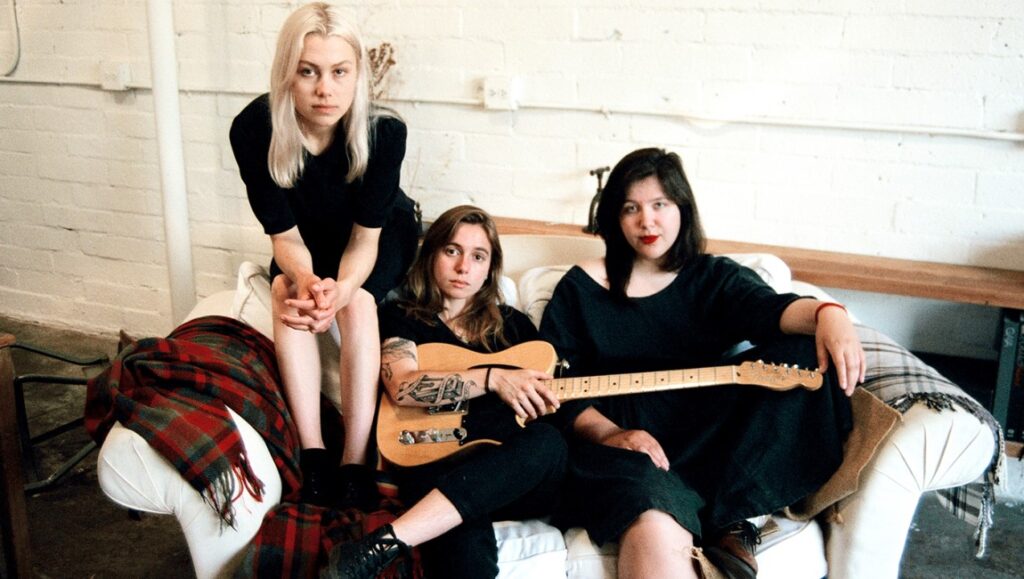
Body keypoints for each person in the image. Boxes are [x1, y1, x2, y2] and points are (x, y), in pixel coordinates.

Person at [538, 148, 863, 579]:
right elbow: (552, 382)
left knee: (802, 358)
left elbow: (773, 312)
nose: (646, 222)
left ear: (682, 209)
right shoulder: (582, 286)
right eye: (630, 208)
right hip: (624, 442)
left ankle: (731, 515)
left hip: (710, 436)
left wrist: (830, 313)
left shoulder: (712, 277)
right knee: (647, 499)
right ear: (614, 217)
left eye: (660, 205)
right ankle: (698, 513)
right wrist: (611, 433)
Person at [229, 2, 419, 509]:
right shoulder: (253, 130)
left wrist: (341, 292)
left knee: (356, 306)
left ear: (358, 75)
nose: (324, 89)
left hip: (378, 233)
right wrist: (310, 284)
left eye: (340, 72)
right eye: (308, 72)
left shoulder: (385, 134)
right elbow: (284, 238)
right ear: (286, 74)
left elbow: (365, 241)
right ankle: (314, 454)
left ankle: (354, 460)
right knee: (285, 291)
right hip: (306, 236)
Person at [321, 205, 568, 579]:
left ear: (489, 269)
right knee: (463, 547)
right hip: (433, 462)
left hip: (510, 474)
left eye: (478, 256)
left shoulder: (513, 327)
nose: (463, 267)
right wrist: (491, 379)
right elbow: (403, 386)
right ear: (432, 253)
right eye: (452, 250)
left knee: (549, 443)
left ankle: (385, 543)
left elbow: (550, 399)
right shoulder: (402, 317)